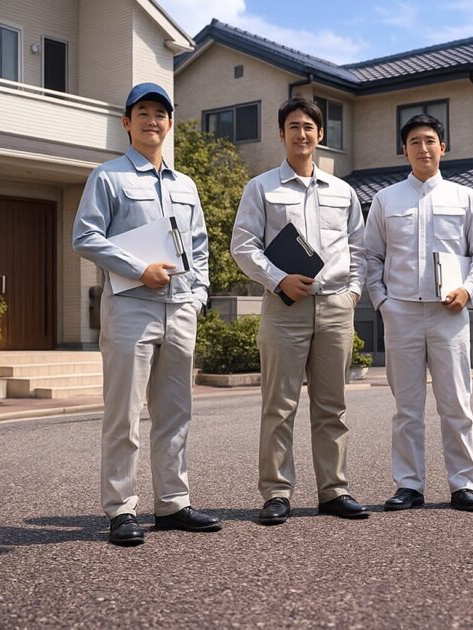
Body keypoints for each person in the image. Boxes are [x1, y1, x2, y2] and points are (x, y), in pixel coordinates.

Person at [73, 82, 221, 546]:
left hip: (179, 310)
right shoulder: (108, 177)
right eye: (143, 112)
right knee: (123, 414)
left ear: (170, 123)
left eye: (160, 113)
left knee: (176, 413)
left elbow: (199, 247)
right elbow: (86, 237)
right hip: (131, 308)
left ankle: (173, 504)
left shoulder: (186, 184)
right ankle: (121, 510)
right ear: (126, 122)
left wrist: (196, 298)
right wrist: (140, 269)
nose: (152, 120)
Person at [231, 97, 368, 525]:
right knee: (279, 404)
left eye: (309, 127)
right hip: (283, 306)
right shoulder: (261, 187)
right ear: (281, 134)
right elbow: (243, 245)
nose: (302, 133)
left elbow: (359, 249)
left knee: (333, 405)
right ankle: (276, 492)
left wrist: (353, 293)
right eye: (293, 126)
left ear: (320, 134)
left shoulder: (343, 192)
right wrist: (278, 279)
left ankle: (334, 490)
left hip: (334, 307)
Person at [364, 114, 473, 512]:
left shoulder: (465, 198)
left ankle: (462, 484)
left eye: (431, 140)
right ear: (404, 150)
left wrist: (468, 290)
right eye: (415, 142)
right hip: (401, 312)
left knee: (456, 403)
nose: (424, 148)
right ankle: (409, 485)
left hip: (449, 314)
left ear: (444, 148)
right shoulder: (387, 199)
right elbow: (370, 256)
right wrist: (383, 302)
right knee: (407, 408)